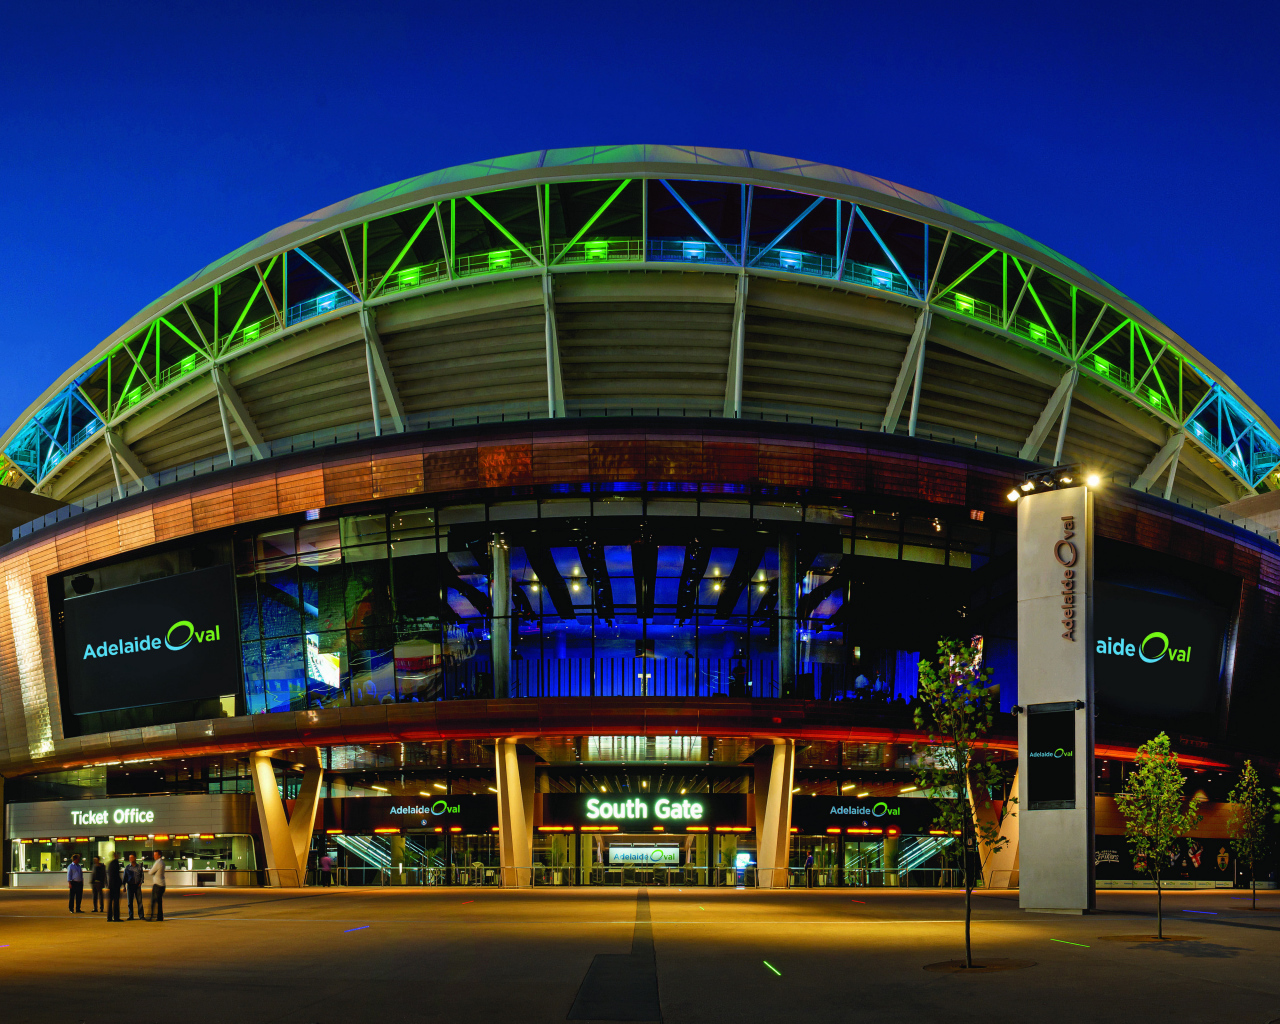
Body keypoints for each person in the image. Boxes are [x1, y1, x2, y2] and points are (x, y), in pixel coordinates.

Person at [145, 851, 166, 921]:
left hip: (157, 884)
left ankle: (152, 916)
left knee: (153, 901)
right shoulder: (162, 862)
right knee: (159, 902)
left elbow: (150, 872)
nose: (154, 856)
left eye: (155, 855)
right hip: (162, 884)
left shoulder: (158, 863)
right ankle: (159, 917)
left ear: (159, 855)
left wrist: (152, 871)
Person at [123, 853, 144, 920]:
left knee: (139, 901)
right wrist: (124, 886)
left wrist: (141, 882)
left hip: (137, 885)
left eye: (132, 857)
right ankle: (131, 916)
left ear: (135, 858)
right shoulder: (127, 867)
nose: (130, 859)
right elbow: (125, 877)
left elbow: (142, 875)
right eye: (130, 858)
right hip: (130, 886)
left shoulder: (139, 867)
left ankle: (141, 916)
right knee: (130, 902)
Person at [105, 851, 123, 922]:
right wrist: (120, 882)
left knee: (110, 901)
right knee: (116, 902)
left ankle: (109, 917)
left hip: (111, 884)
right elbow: (116, 875)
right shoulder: (116, 863)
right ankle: (116, 917)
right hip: (115, 885)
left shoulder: (110, 863)